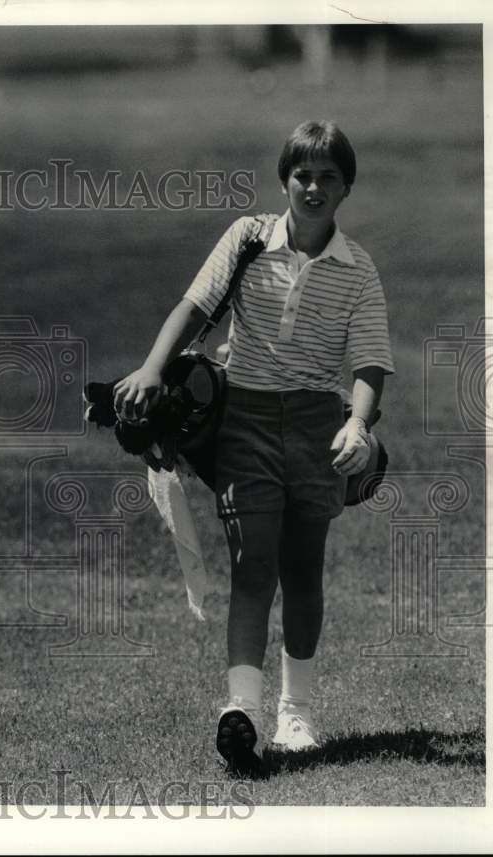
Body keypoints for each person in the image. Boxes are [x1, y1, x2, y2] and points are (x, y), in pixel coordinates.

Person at [113, 120, 393, 776]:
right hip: (246, 419)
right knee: (253, 562)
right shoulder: (247, 238)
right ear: (284, 180)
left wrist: (357, 424)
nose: (314, 186)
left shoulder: (358, 270)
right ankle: (241, 708)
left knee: (303, 565)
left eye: (328, 176)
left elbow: (371, 362)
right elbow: (194, 304)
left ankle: (297, 710)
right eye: (303, 174)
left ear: (346, 187)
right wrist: (154, 369)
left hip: (318, 424)